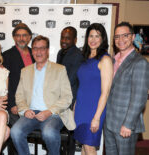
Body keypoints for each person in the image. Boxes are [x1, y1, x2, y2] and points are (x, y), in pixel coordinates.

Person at [10, 35, 76, 155]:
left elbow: (67, 97)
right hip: (31, 114)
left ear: (47, 50)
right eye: (35, 48)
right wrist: (25, 110)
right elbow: (19, 96)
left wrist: (49, 111)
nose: (38, 52)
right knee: (15, 132)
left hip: (53, 114)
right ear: (32, 51)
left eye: (42, 48)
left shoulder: (60, 69)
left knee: (49, 132)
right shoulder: (25, 71)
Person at [104, 22, 148, 155]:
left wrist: (128, 124)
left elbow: (139, 98)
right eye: (117, 37)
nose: (120, 40)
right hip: (109, 121)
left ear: (133, 37)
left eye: (125, 35)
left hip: (125, 125)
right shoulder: (111, 60)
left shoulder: (140, 63)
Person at [73, 23, 113, 155]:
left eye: (97, 36)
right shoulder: (85, 59)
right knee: (85, 147)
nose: (93, 39)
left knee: (89, 148)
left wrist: (96, 117)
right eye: (91, 36)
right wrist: (75, 107)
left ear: (103, 39)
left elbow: (105, 92)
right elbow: (83, 86)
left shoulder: (105, 59)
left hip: (94, 111)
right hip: (80, 110)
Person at [56, 26, 83, 155]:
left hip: (71, 98)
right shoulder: (60, 53)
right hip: (59, 97)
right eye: (62, 37)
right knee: (60, 130)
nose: (64, 40)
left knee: (69, 132)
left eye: (68, 38)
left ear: (75, 40)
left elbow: (71, 78)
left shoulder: (77, 54)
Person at [3, 23, 34, 126]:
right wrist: (12, 104)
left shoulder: (36, 54)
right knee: (19, 131)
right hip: (16, 104)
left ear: (29, 37)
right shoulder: (6, 56)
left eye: (24, 35)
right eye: (18, 35)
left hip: (34, 102)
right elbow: (6, 82)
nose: (21, 38)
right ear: (14, 37)